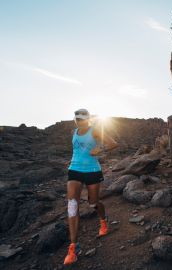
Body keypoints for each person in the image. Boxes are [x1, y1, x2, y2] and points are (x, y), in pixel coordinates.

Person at [63, 108, 118, 265]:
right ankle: (73, 247)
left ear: (88, 119)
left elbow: (113, 144)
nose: (78, 120)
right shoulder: (74, 132)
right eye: (76, 117)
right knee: (72, 205)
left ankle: (103, 221)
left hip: (92, 170)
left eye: (81, 118)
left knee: (93, 203)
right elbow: (77, 150)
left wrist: (100, 149)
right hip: (74, 170)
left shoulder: (95, 131)